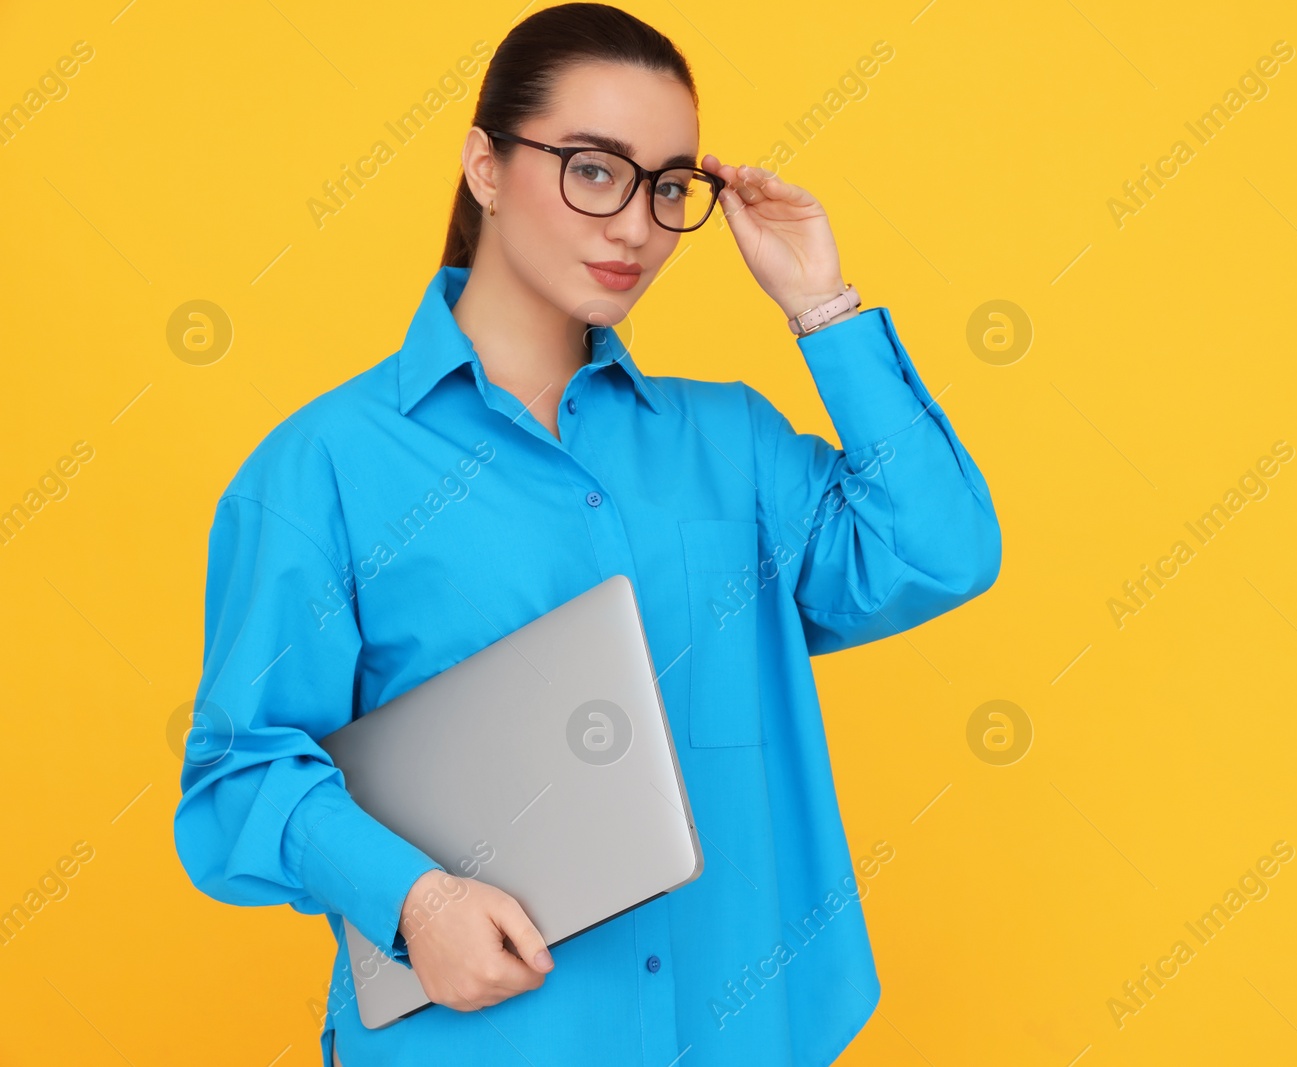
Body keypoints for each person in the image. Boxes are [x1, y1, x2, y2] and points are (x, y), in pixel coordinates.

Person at [171, 4, 1001, 1064]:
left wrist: (821, 306)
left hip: (744, 1031)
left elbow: (940, 550)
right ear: (483, 165)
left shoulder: (733, 441)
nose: (636, 227)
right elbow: (238, 768)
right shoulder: (324, 467)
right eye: (594, 169)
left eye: (666, 187)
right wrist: (411, 899)